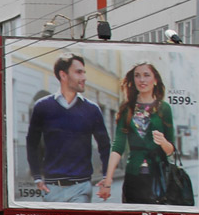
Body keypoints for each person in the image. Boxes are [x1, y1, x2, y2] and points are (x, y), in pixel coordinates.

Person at [25, 54, 112, 203]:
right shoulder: (42, 107)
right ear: (63, 75)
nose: (84, 77)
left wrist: (106, 177)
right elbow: (31, 143)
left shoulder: (92, 110)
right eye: (79, 72)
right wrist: (37, 177)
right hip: (52, 189)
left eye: (84, 72)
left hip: (81, 188)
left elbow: (105, 145)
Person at [99, 62, 177, 205]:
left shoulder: (164, 108)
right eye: (137, 76)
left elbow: (171, 150)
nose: (142, 80)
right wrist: (108, 180)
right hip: (133, 177)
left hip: (158, 177)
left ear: (155, 80)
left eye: (146, 75)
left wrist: (163, 142)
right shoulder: (126, 108)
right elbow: (118, 146)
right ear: (133, 80)